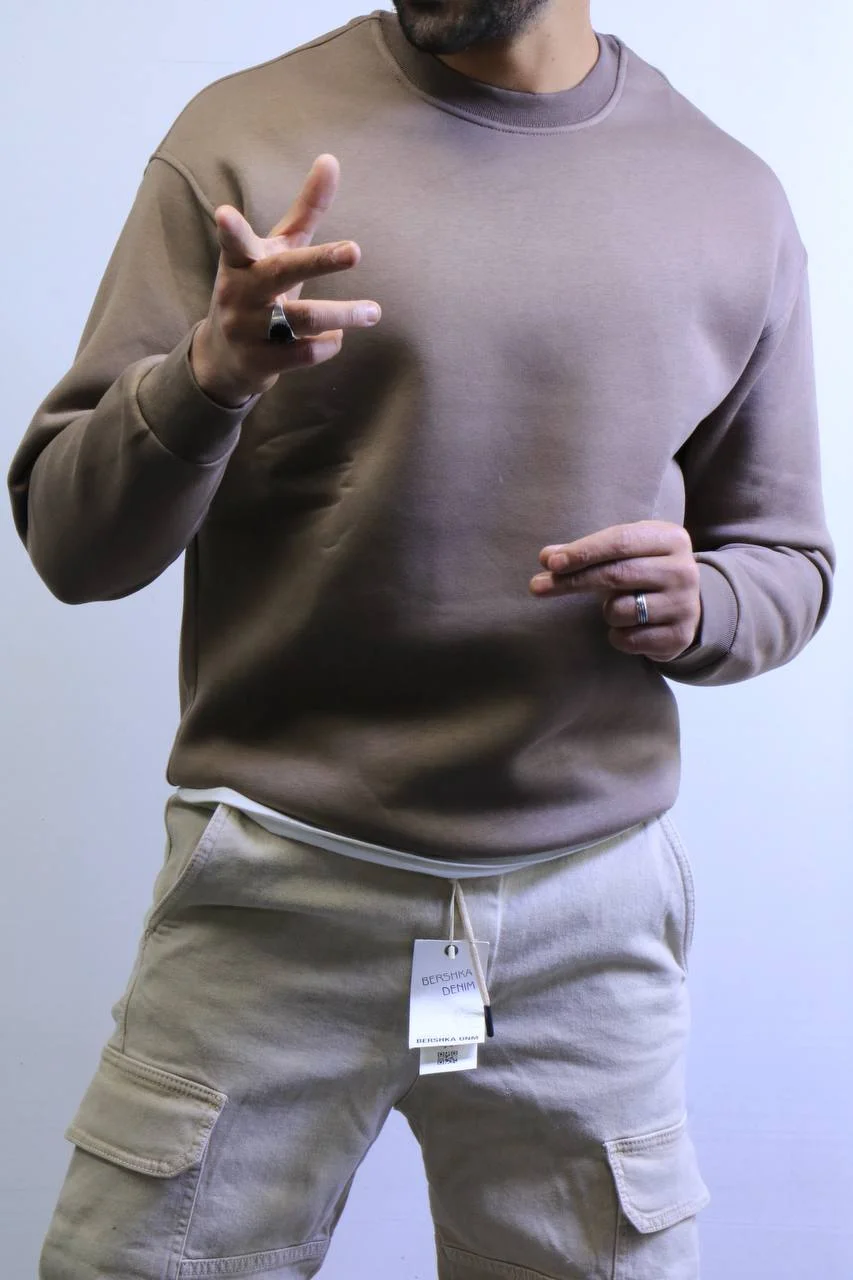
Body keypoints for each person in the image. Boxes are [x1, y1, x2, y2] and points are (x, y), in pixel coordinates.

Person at [8, 1, 834, 1276]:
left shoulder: (731, 197)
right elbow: (71, 543)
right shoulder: (241, 140)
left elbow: (788, 559)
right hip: (279, 887)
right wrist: (208, 376)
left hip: (584, 922)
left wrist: (704, 602)